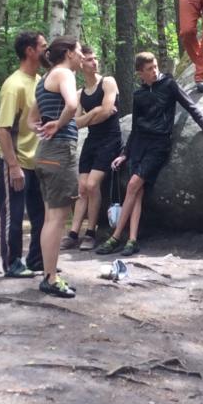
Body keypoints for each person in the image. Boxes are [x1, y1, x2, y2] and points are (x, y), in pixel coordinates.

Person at [95, 52, 203, 256]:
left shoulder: (169, 84)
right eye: (149, 69)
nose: (154, 71)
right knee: (136, 192)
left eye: (155, 66)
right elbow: (136, 126)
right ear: (140, 73)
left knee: (132, 186)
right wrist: (125, 153)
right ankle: (131, 240)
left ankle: (115, 237)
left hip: (158, 145)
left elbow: (190, 106)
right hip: (139, 145)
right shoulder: (138, 95)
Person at [26, 37, 84, 298]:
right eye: (80, 51)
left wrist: (43, 127)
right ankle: (50, 277)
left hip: (45, 152)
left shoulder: (44, 78)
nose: (82, 56)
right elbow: (72, 106)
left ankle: (49, 273)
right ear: (69, 53)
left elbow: (30, 119)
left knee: (51, 218)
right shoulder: (64, 74)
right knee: (57, 219)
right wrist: (58, 125)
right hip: (60, 150)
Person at [0, 31, 46, 278]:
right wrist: (13, 166)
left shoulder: (40, 81)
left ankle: (36, 260)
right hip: (15, 160)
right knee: (13, 216)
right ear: (30, 51)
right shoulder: (13, 85)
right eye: (43, 46)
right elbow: (2, 129)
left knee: (41, 214)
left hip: (36, 161)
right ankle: (12, 263)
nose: (46, 51)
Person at [61, 45, 122, 252]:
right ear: (81, 64)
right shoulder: (80, 94)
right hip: (92, 140)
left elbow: (107, 112)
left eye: (95, 58)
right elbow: (75, 123)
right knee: (82, 188)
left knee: (92, 185)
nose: (94, 62)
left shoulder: (108, 82)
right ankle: (73, 233)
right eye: (88, 59)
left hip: (110, 140)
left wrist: (94, 114)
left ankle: (91, 232)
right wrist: (94, 111)